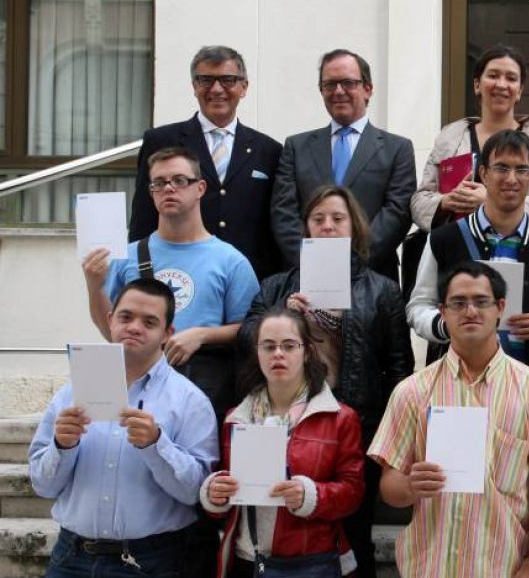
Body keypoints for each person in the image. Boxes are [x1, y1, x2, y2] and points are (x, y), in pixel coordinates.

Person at [369, 261, 529, 578]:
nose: (470, 310)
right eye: (458, 302)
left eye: (481, 301)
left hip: (503, 574)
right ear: (442, 311)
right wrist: (410, 485)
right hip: (431, 573)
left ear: (500, 308)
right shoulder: (412, 392)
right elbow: (390, 485)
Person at [240, 185, 409, 578]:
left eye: (338, 218)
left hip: (355, 427)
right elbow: (247, 338)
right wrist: (285, 317)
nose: (328, 226)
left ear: (355, 228)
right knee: (282, 530)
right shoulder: (278, 285)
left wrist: (389, 438)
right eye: (318, 219)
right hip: (284, 424)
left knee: (354, 536)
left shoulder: (381, 288)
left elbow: (399, 365)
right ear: (305, 230)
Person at [30, 278, 219, 578]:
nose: (134, 327)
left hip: (150, 566)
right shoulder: (70, 394)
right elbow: (42, 484)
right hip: (70, 560)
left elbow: (194, 494)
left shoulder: (190, 401)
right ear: (110, 320)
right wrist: (62, 446)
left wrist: (157, 444)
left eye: (149, 322)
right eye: (126, 317)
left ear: (167, 333)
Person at [83, 146, 260, 419]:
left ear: (200, 188)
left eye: (179, 180)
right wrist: (94, 285)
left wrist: (202, 335)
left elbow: (252, 330)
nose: (169, 188)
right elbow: (110, 332)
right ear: (151, 191)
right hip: (136, 385)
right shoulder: (125, 256)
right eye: (159, 183)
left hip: (203, 386)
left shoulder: (230, 260)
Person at [201, 307, 365, 578]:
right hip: (245, 561)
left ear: (308, 351)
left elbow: (353, 493)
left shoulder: (339, 417)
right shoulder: (235, 417)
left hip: (308, 564)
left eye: (289, 346)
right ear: (257, 353)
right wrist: (215, 493)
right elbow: (223, 490)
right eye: (269, 346)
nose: (278, 353)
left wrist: (310, 495)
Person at [407, 130, 529, 391]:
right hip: (455, 387)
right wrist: (447, 323)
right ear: (484, 174)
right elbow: (418, 306)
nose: (511, 178)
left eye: (521, 170)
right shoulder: (444, 241)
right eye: (502, 168)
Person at [130, 45, 283, 280]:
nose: (217, 89)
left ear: (244, 87)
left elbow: (275, 224)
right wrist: (140, 275)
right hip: (178, 274)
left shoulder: (269, 150)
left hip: (250, 278)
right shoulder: (161, 140)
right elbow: (143, 214)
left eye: (228, 80)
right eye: (206, 80)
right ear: (194, 86)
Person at [272, 48, 417, 281]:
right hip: (306, 277)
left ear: (367, 89)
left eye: (348, 83)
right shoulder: (296, 147)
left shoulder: (397, 149)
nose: (338, 91)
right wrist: (312, 261)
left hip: (372, 278)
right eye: (330, 84)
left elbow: (397, 213)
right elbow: (283, 211)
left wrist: (349, 263)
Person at [410, 44, 529, 233]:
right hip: (456, 251)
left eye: (511, 78)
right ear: (477, 85)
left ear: (519, 91)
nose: (501, 84)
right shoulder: (450, 137)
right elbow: (419, 202)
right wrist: (445, 202)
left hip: (516, 252)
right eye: (493, 75)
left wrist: (490, 202)